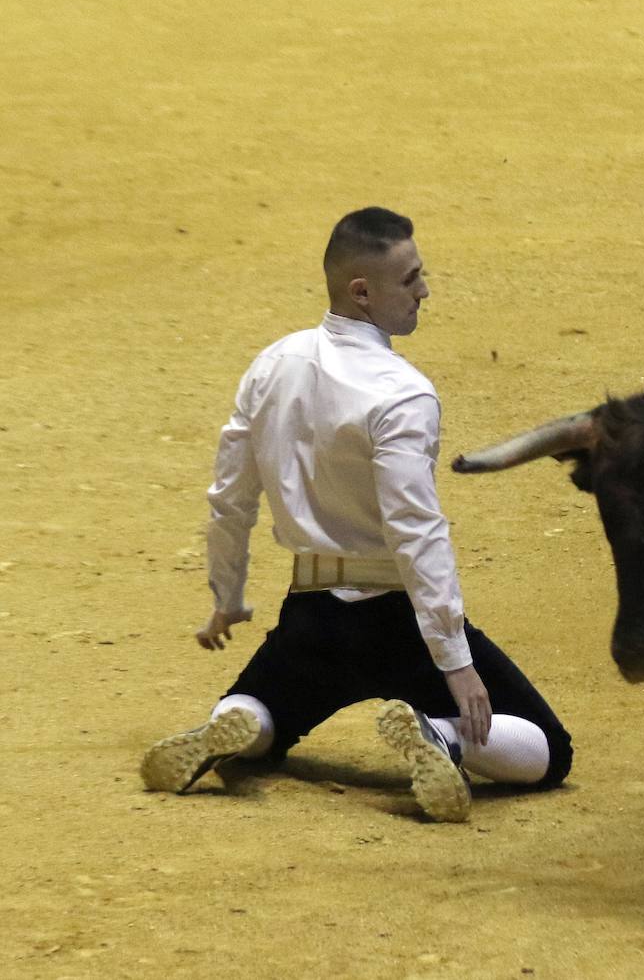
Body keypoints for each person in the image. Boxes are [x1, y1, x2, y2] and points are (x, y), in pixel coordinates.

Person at [140, 207, 572, 821]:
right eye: (411, 279)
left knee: (268, 718)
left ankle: (234, 719)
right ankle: (441, 737)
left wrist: (227, 594)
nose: (424, 290)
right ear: (363, 291)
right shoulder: (403, 394)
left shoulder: (272, 365)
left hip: (312, 616)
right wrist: (456, 662)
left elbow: (230, 496)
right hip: (396, 618)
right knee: (549, 750)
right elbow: (416, 532)